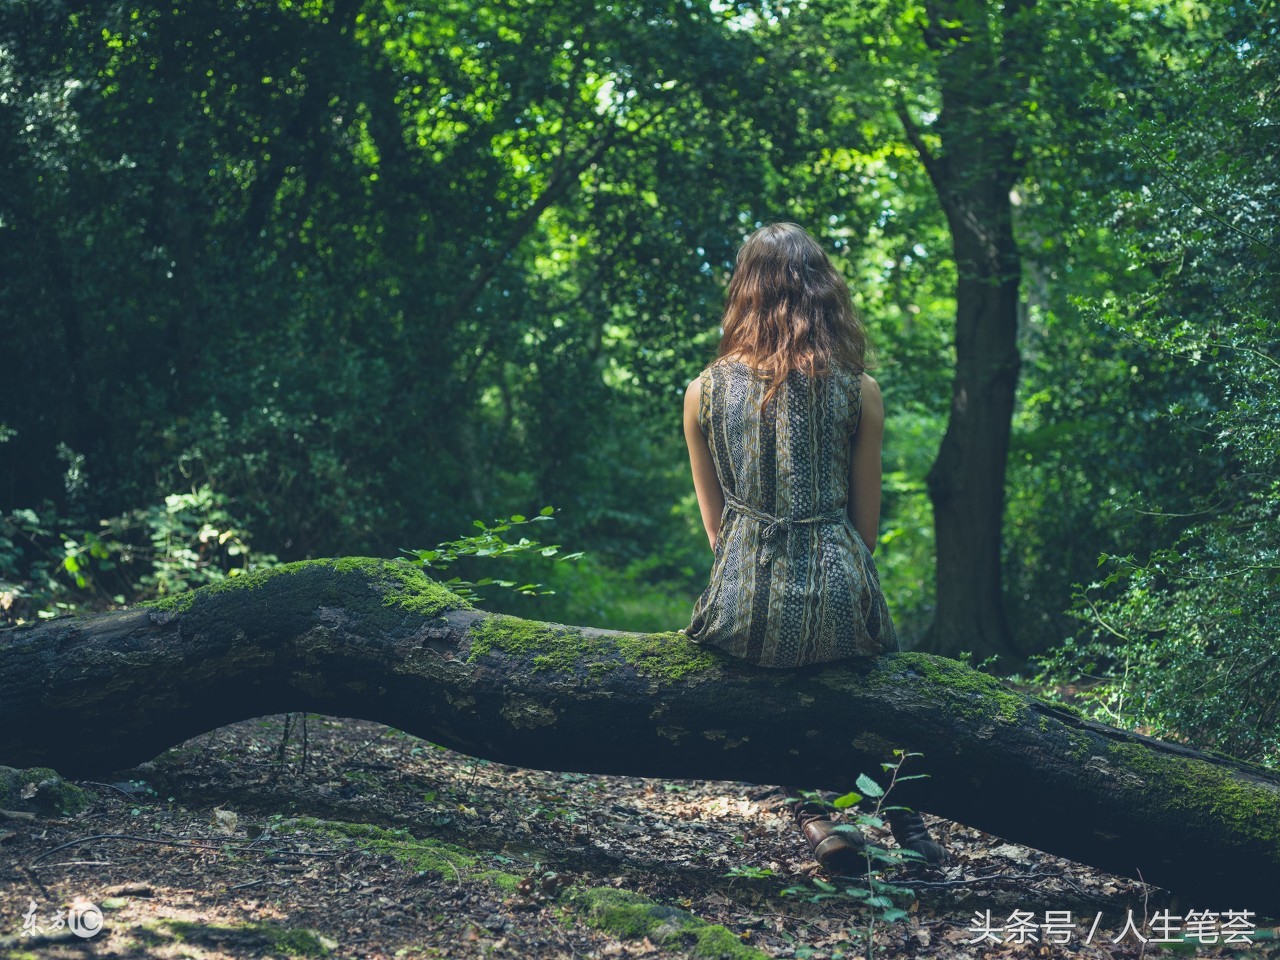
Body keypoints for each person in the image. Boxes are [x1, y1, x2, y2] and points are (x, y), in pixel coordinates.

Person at [681, 222, 945, 873]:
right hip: (835, 588)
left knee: (764, 699)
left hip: (744, 598)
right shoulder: (860, 391)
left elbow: (718, 533)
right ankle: (907, 825)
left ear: (744, 292)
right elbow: (867, 531)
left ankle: (817, 820)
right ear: (824, 294)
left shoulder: (702, 393)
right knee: (860, 686)